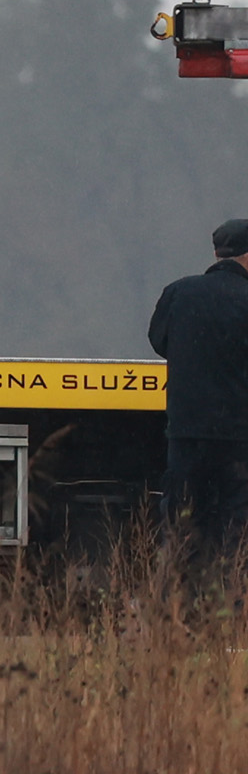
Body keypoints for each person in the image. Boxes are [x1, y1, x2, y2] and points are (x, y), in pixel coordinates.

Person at [149, 217, 248, 573]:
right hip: (238, 439)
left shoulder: (180, 292)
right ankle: (230, 617)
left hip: (187, 435)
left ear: (218, 252)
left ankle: (173, 616)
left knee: (181, 530)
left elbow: (160, 342)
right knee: (235, 536)